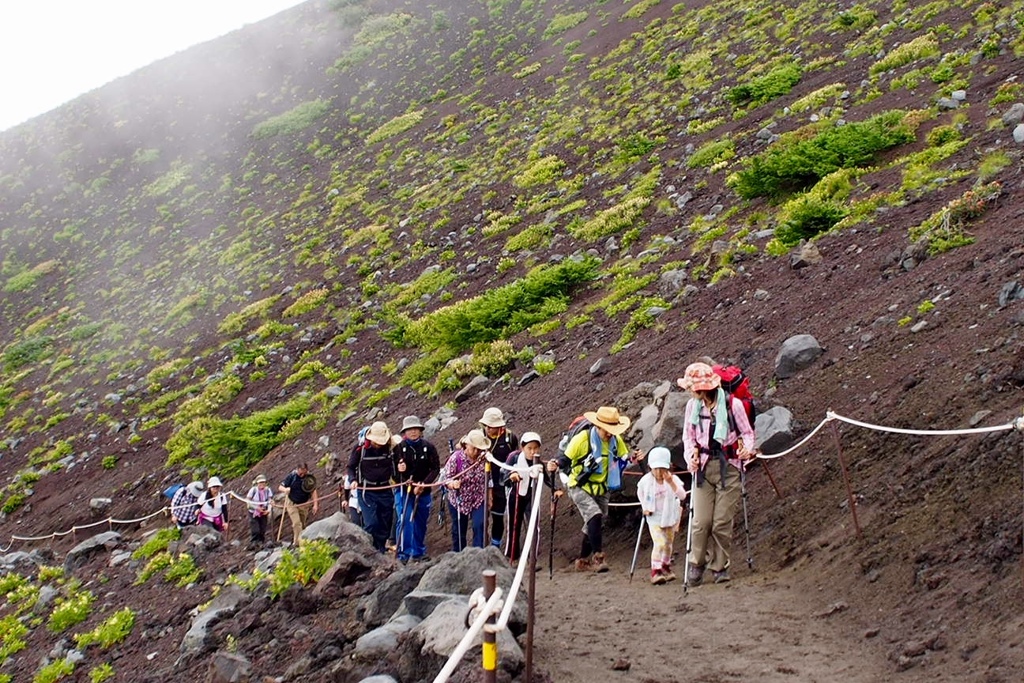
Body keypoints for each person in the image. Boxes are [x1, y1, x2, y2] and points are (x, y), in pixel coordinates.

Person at [679, 361, 757, 586]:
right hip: (703, 467)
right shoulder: (692, 407)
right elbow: (688, 437)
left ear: (703, 389)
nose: (690, 392)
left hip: (729, 467)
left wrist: (746, 449)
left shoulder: (733, 405)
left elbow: (747, 433)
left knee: (722, 521)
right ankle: (696, 564)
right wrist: (690, 457)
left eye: (692, 388)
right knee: (701, 522)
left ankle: (720, 567)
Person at [547, 406, 643, 572]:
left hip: (602, 488)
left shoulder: (615, 440)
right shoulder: (582, 439)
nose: (610, 433)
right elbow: (565, 459)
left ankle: (582, 561)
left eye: (613, 429)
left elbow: (624, 459)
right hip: (579, 485)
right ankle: (598, 557)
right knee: (594, 515)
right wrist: (555, 464)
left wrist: (635, 457)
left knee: (593, 523)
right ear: (598, 426)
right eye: (607, 430)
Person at [637, 446, 688, 585]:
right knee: (659, 543)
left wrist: (671, 483)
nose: (659, 472)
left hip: (670, 516)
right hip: (654, 517)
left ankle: (665, 565)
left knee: (668, 545)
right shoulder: (646, 481)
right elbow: (640, 493)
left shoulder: (673, 480)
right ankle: (656, 570)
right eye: (656, 469)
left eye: (662, 468)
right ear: (650, 467)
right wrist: (645, 507)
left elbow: (682, 495)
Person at [394, 415, 440, 563]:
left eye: (416, 429)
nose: (413, 432)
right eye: (410, 429)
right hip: (404, 490)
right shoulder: (398, 449)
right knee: (405, 519)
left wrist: (423, 484)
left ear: (420, 430)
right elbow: (392, 473)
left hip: (423, 490)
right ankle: (404, 554)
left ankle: (418, 551)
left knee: (421, 521)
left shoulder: (429, 447)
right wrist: (400, 473)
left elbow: (435, 468)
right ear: (404, 432)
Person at [347, 421, 398, 553]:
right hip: (366, 490)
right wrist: (353, 480)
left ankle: (379, 549)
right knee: (371, 523)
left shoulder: (391, 448)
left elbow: (398, 465)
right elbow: (351, 467)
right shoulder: (360, 449)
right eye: (376, 441)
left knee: (385, 521)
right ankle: (367, 550)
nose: (378, 444)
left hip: (385, 489)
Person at [440, 430, 490, 551]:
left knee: (480, 525)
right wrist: (452, 484)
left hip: (478, 498)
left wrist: (490, 496)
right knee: (459, 529)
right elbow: (445, 478)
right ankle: (459, 555)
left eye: (479, 449)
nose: (477, 452)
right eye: (474, 448)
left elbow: (489, 478)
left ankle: (478, 554)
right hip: (458, 499)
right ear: (466, 445)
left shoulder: (485, 458)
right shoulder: (456, 458)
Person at [480, 407, 519, 548]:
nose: (488, 429)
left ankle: (495, 546)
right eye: (487, 426)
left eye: (492, 426)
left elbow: (515, 457)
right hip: (482, 482)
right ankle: (480, 545)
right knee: (481, 518)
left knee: (498, 517)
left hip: (503, 483)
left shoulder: (510, 438)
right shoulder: (480, 436)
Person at [501, 431, 542, 564]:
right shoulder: (514, 457)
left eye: (535, 448)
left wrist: (555, 490)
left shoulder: (537, 460)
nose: (532, 451)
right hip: (516, 494)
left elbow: (544, 477)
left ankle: (532, 558)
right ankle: (513, 556)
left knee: (534, 526)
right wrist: (512, 476)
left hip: (532, 495)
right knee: (514, 524)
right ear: (522, 447)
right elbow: (504, 475)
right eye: (529, 448)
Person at [279, 463, 320, 546]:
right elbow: (280, 487)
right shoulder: (292, 476)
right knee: (296, 523)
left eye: (304, 473)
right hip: (292, 503)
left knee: (303, 524)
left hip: (303, 504)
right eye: (300, 473)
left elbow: (313, 491)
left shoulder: (309, 478)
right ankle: (297, 543)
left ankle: (304, 540)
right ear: (297, 469)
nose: (302, 475)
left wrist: (315, 504)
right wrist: (285, 490)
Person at [245, 474, 273, 548]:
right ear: (257, 483)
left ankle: (261, 542)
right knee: (255, 529)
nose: (262, 484)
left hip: (263, 512)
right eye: (260, 482)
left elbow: (270, 500)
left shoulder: (267, 490)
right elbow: (248, 501)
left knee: (263, 528)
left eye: (263, 482)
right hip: (253, 512)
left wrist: (268, 510)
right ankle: (254, 542)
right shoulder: (253, 490)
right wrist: (256, 508)